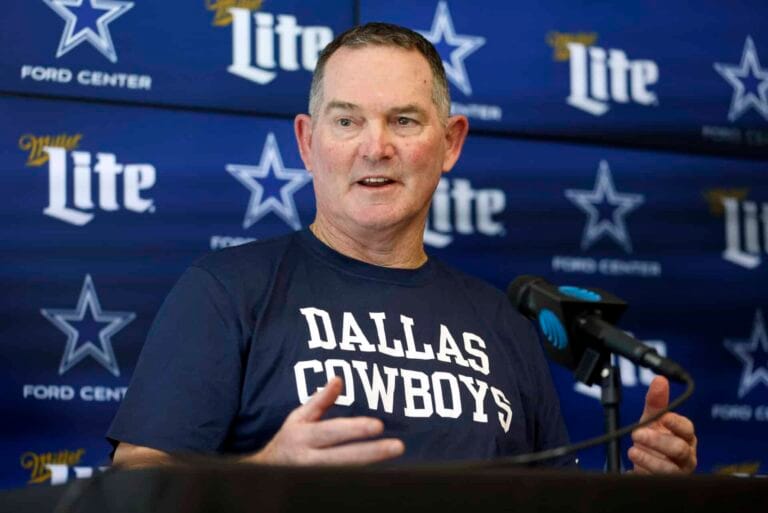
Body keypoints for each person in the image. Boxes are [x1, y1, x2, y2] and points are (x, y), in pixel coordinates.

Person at [109, 23, 697, 473]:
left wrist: (646, 494)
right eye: (346, 122)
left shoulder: (502, 323)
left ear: (450, 143)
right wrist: (262, 473)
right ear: (308, 143)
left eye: (405, 121)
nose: (376, 147)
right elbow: (134, 482)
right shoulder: (227, 290)